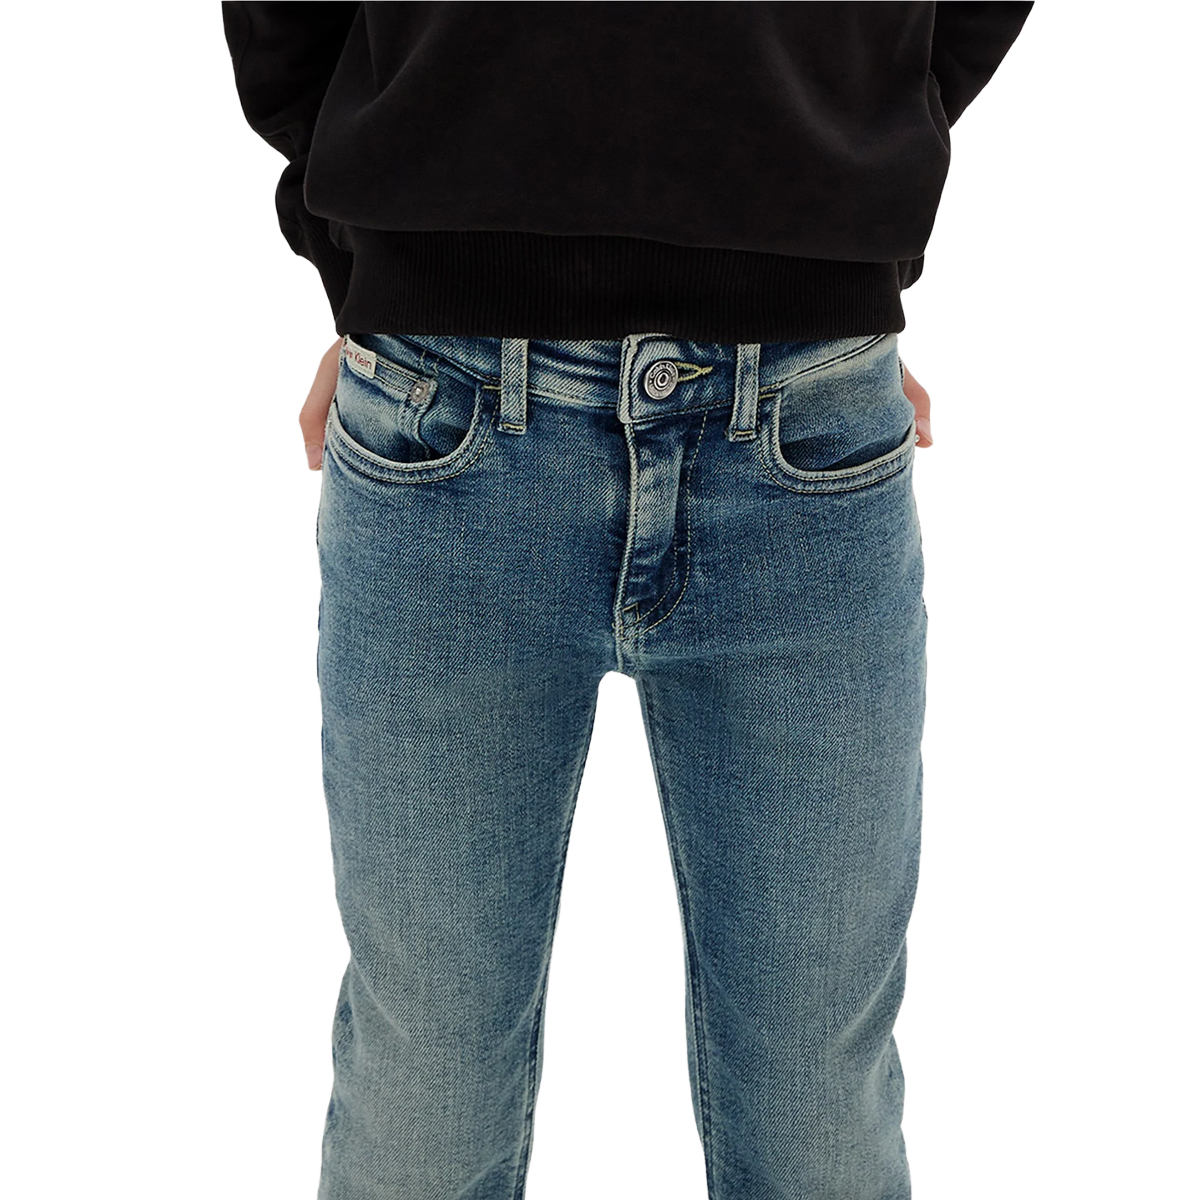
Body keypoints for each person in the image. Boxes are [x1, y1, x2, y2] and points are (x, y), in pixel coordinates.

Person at [221, 4, 1034, 1197]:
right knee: (425, 1095)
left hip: (800, 416)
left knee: (817, 1112)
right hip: (451, 399)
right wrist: (380, 271)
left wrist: (832, 184)